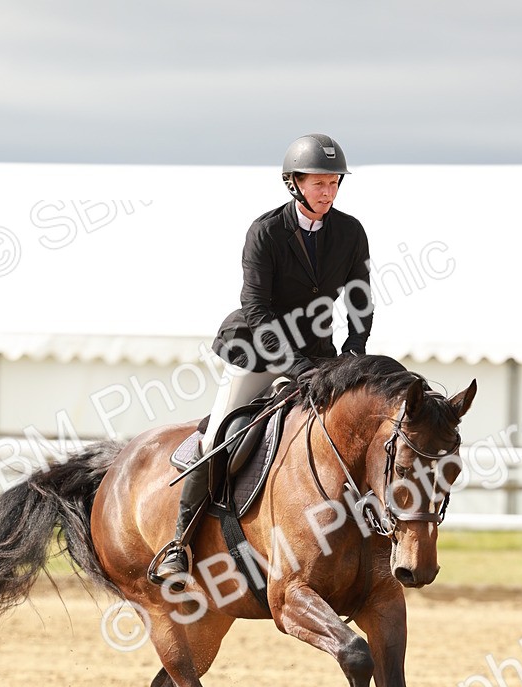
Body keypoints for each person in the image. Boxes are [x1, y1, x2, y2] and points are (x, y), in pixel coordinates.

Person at [152, 133, 373, 590]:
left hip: (319, 354)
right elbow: (257, 309)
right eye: (319, 183)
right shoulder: (265, 233)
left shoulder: (350, 232)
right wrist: (293, 366)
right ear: (294, 183)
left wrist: (355, 350)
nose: (328, 192)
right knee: (221, 434)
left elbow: (359, 297)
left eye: (334, 183)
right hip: (258, 349)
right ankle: (180, 542)